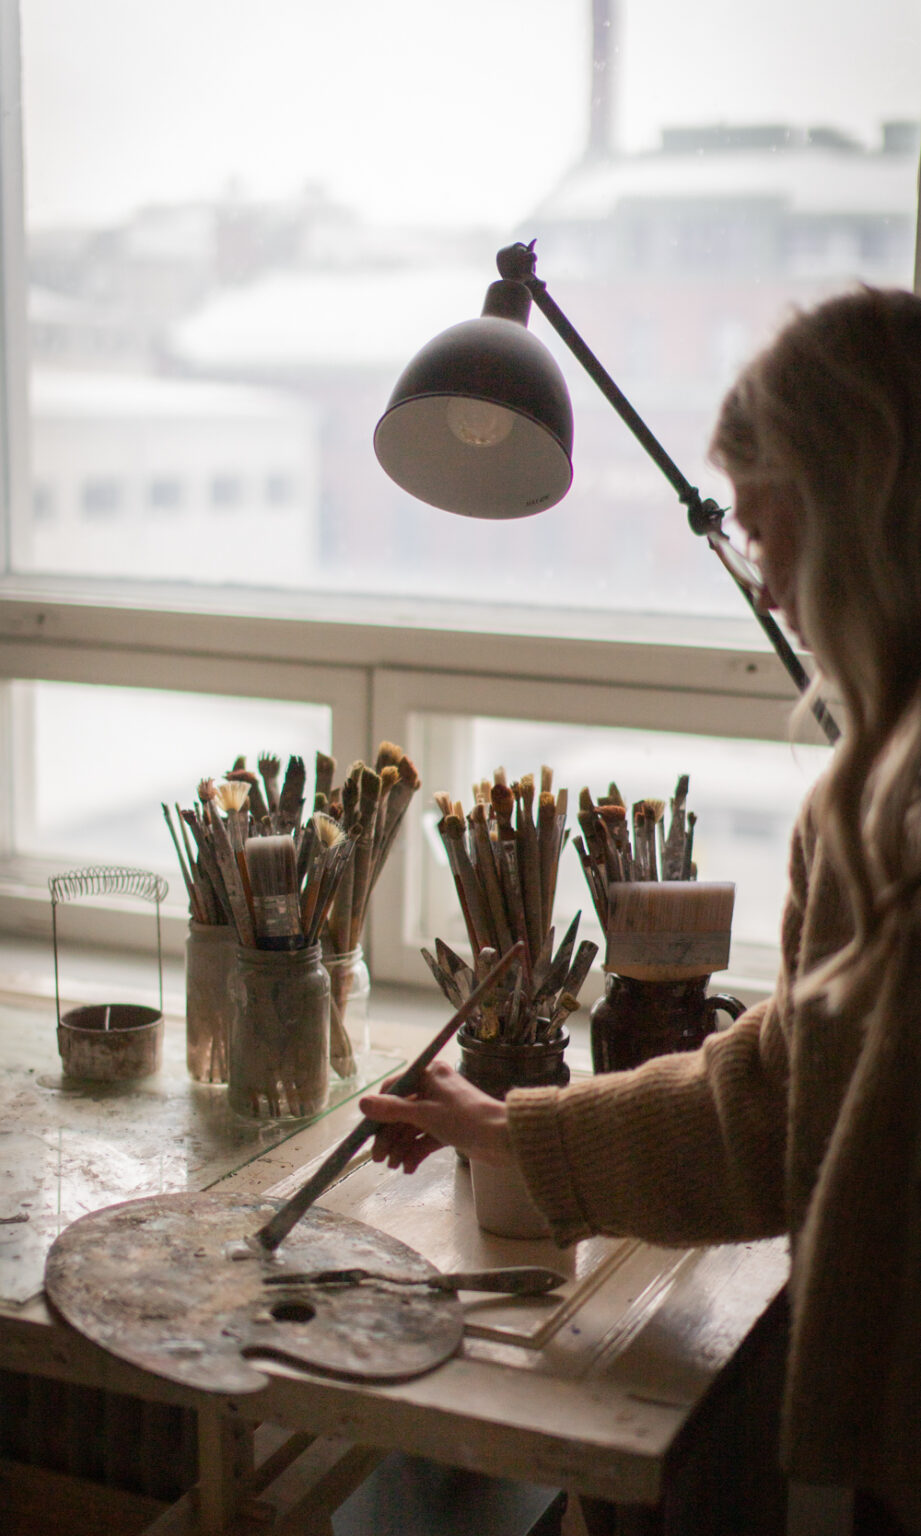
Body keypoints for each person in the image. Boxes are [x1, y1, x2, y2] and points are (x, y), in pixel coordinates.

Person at [359, 286, 921, 1535]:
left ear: (864, 511)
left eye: (769, 535)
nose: (767, 591)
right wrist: (505, 1127)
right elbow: (780, 1096)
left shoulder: (896, 814)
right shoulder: (868, 796)